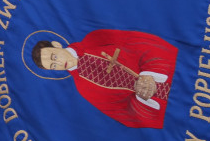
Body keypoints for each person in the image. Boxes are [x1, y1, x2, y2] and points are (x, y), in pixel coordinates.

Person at [29, 30, 178, 129]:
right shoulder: (83, 88)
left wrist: (148, 72)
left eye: (54, 57)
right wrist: (142, 97)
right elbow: (123, 113)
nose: (59, 63)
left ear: (56, 45)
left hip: (167, 71)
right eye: (54, 66)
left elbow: (138, 41)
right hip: (161, 103)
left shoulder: (93, 39)